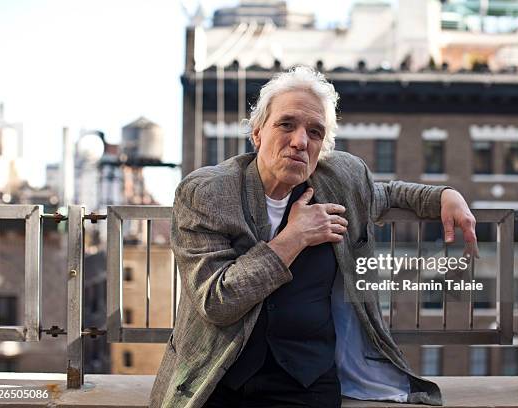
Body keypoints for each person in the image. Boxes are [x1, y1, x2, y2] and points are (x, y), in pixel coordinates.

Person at [149, 66, 478, 408]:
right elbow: (216, 301)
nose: (300, 141)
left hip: (307, 380)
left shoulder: (339, 181)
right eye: (286, 125)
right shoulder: (208, 193)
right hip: (219, 374)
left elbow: (385, 194)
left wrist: (444, 196)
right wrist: (295, 237)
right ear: (257, 132)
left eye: (315, 132)